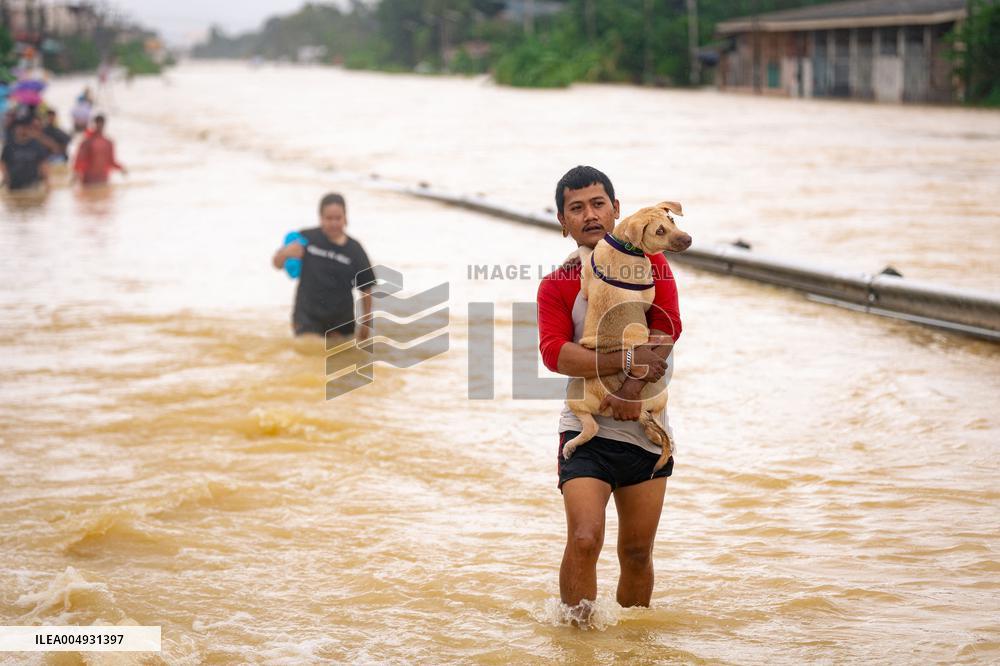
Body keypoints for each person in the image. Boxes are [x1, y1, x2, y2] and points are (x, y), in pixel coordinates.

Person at [536, 165, 682, 623]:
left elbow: (668, 329)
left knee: (637, 553)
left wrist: (632, 389)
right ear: (563, 222)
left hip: (645, 428)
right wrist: (627, 361)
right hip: (587, 429)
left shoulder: (654, 266)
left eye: (598, 204)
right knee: (584, 539)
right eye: (576, 208)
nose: (590, 215)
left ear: (617, 210)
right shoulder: (558, 283)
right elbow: (556, 355)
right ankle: (575, 641)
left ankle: (633, 647)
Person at [271, 193, 376, 343]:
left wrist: (366, 323)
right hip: (307, 317)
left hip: (340, 322)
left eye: (338, 218)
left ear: (345, 218)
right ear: (320, 218)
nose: (333, 223)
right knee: (309, 352)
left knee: (339, 356)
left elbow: (366, 288)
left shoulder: (355, 250)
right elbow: (277, 264)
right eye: (329, 218)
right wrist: (285, 253)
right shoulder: (305, 238)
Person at [72, 114, 126, 185]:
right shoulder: (87, 141)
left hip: (103, 178)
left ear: (104, 125)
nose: (99, 125)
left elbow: (111, 161)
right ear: (94, 124)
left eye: (101, 123)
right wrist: (76, 174)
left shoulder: (108, 142)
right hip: (89, 178)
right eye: (98, 123)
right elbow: (79, 160)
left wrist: (121, 169)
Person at [1, 115, 50, 191]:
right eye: (20, 127)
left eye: (26, 127)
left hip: (32, 184)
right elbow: (3, 163)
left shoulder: (36, 145)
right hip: (14, 185)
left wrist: (47, 183)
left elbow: (43, 164)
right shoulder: (9, 146)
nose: (23, 130)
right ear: (15, 129)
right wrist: (6, 177)